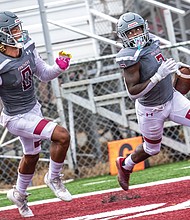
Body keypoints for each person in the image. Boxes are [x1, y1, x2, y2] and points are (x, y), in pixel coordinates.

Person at [0, 11, 72, 217]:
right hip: (16, 117)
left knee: (31, 156)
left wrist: (58, 67)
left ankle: (19, 194)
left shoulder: (27, 46)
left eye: (18, 27)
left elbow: (44, 74)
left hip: (33, 108)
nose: (19, 32)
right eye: (13, 29)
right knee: (62, 135)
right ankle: (54, 177)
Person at [115, 12, 190, 191]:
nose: (136, 35)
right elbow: (133, 93)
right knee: (152, 149)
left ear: (145, 27)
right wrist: (158, 76)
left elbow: (157, 62)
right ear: (124, 36)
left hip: (171, 99)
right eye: (131, 32)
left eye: (138, 29)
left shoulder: (153, 41)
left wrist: (174, 68)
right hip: (151, 109)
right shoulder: (129, 57)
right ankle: (125, 165)